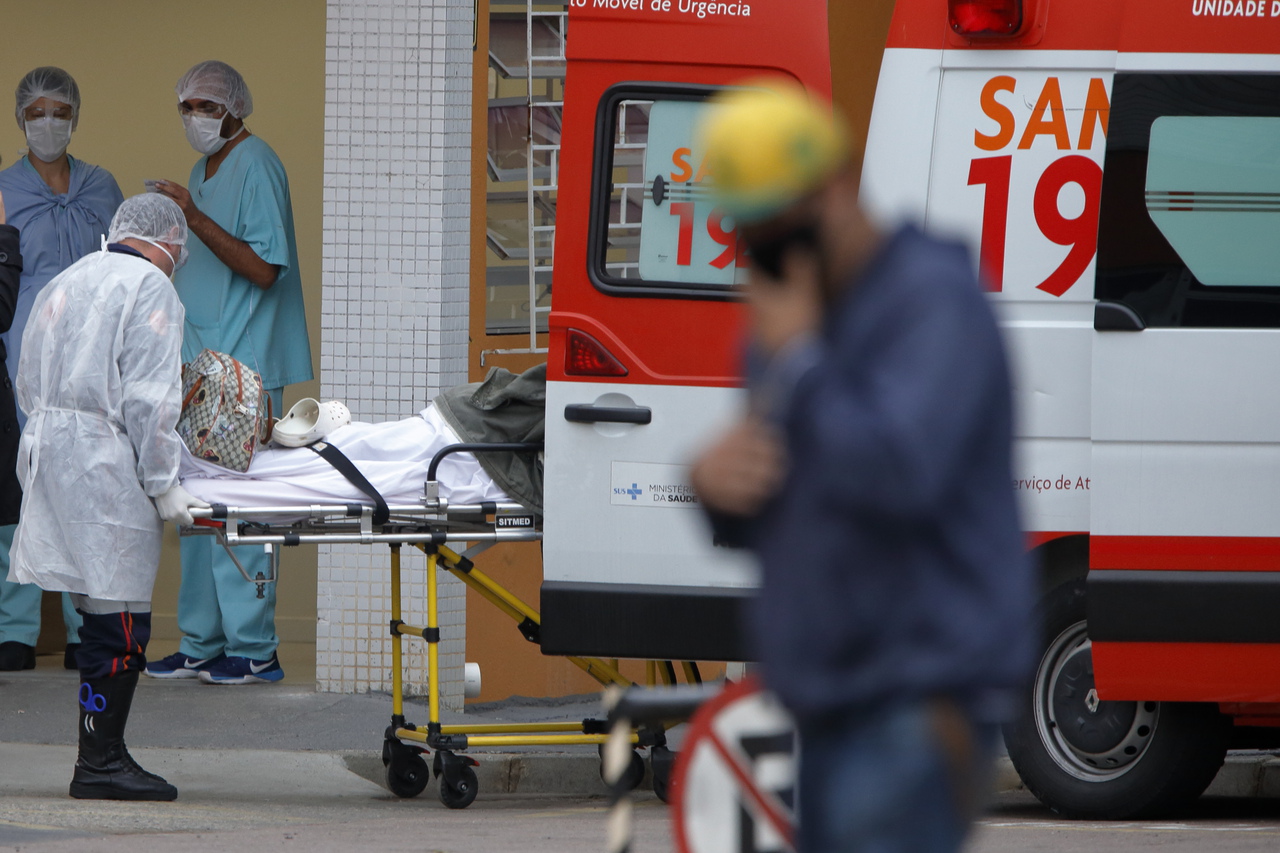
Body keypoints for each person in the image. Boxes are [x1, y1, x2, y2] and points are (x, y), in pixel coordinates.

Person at [689, 82, 1032, 853]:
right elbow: (786, 499)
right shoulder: (792, 319)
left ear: (837, 186)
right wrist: (715, 485)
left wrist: (805, 365)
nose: (767, 251)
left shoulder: (930, 305)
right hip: (820, 700)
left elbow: (901, 469)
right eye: (751, 231)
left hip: (911, 699)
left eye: (781, 225)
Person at [8, 193, 208, 801]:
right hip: (106, 463)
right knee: (120, 619)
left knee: (99, 613)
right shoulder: (151, 288)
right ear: (170, 243)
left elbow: (26, 377)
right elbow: (151, 398)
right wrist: (165, 483)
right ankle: (100, 763)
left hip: (51, 452)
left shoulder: (68, 280)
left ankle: (98, 755)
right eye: (181, 251)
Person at [145, 60, 312, 686]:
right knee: (196, 509)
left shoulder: (258, 163)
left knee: (243, 508)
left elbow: (266, 269)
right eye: (186, 106)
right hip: (201, 367)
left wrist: (192, 216)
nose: (196, 118)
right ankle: (202, 642)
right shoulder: (201, 171)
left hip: (245, 367)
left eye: (207, 106)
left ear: (236, 108)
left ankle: (254, 648)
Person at [0, 66, 123, 672]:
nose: (49, 123)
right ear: (21, 118)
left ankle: (87, 627)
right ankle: (13, 629)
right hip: (21, 348)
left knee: (86, 483)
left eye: (60, 111)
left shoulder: (102, 187)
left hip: (89, 353)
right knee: (19, 484)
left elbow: (125, 269)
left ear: (76, 115)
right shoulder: (2, 188)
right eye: (37, 112)